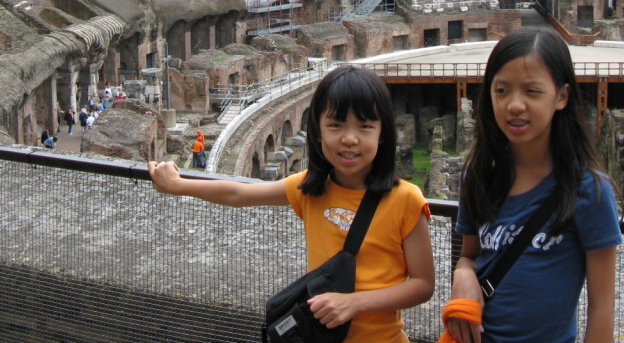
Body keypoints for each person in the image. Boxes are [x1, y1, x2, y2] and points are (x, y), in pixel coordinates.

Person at [148, 65, 434, 343]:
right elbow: (238, 194)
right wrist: (178, 185)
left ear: (382, 133)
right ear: (318, 131)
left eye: (365, 126)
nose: (349, 139)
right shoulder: (311, 187)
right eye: (335, 125)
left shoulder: (405, 199)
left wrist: (355, 303)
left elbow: (423, 285)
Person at [447, 29, 621, 343]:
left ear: (562, 96)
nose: (514, 105)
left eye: (531, 91)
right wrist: (462, 274)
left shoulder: (588, 190)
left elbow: (601, 306)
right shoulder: (478, 177)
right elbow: (469, 255)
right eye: (502, 91)